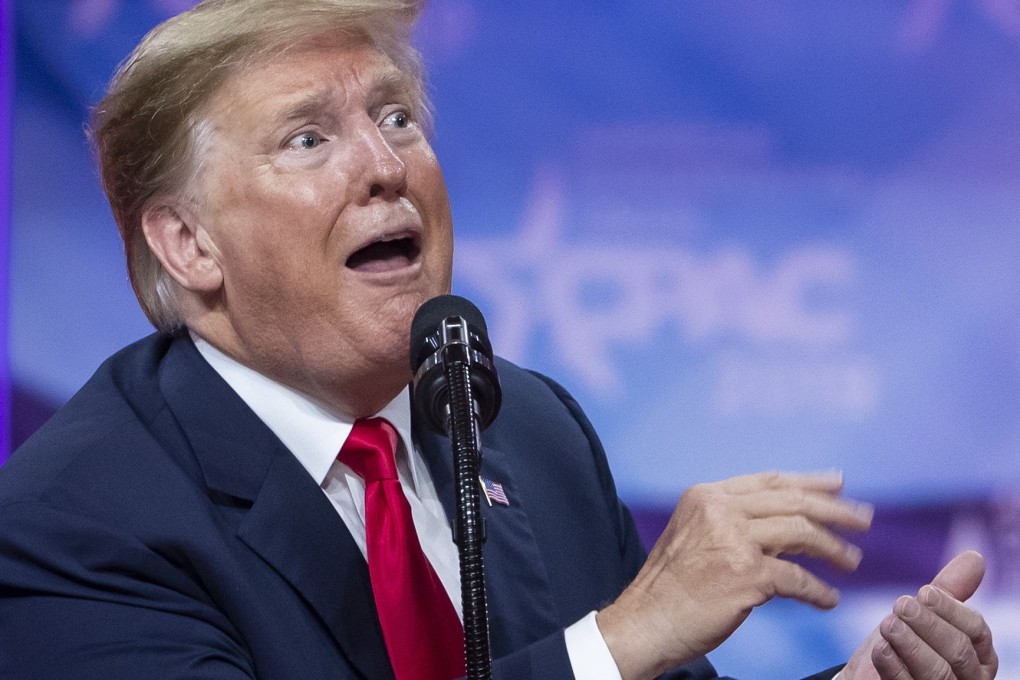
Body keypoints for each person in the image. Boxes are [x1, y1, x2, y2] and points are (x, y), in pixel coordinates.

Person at [0, 1, 997, 679]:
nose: (384, 166)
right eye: (309, 138)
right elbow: (617, 658)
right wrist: (611, 645)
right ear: (188, 243)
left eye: (397, 117)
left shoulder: (526, 426)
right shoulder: (73, 521)